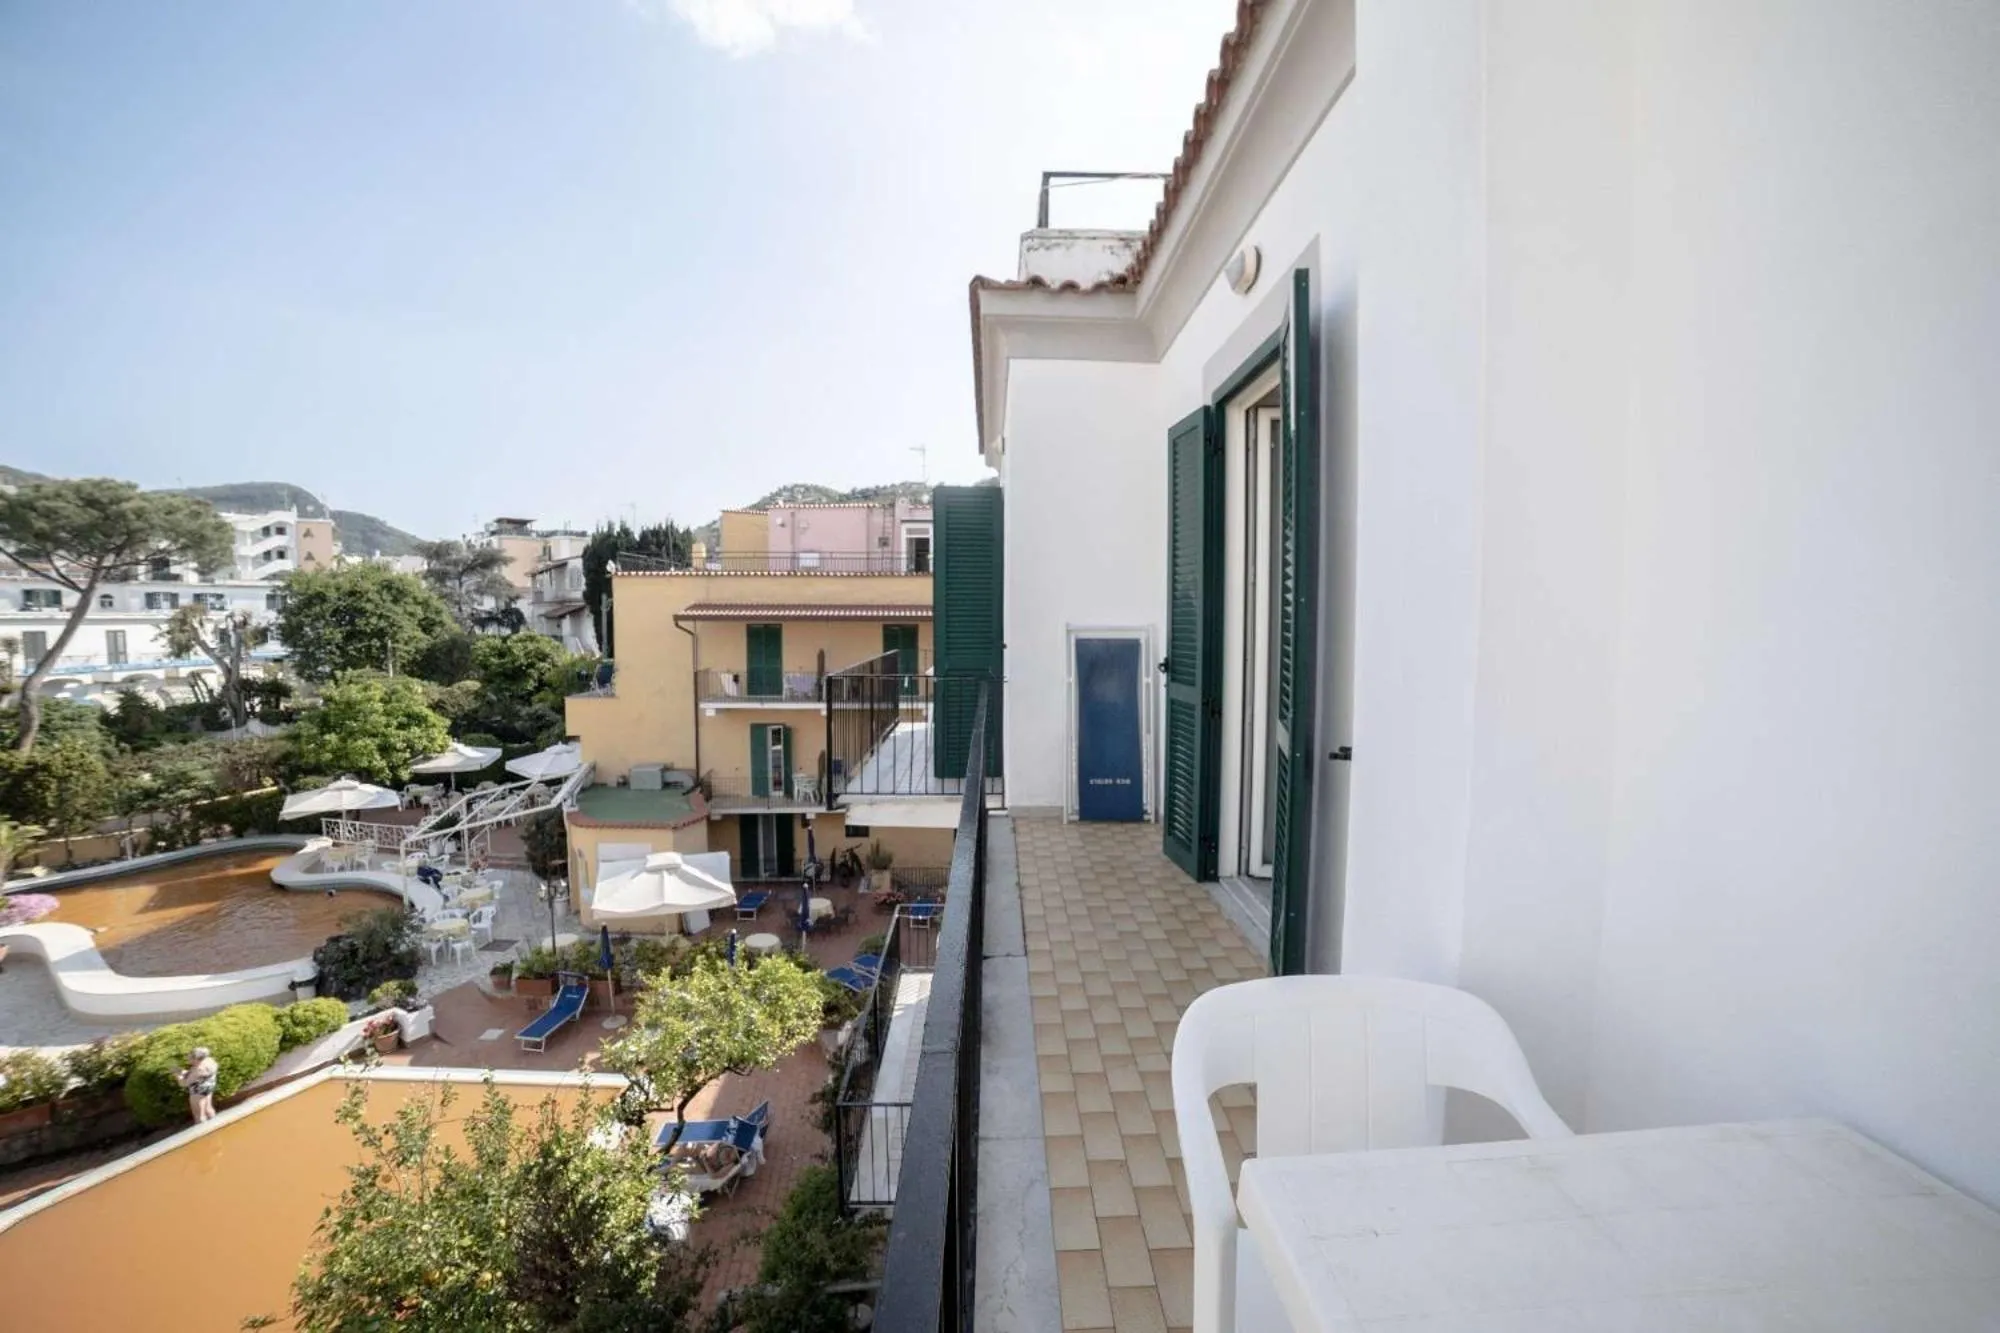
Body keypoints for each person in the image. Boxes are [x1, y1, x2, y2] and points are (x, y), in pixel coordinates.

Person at [177, 1047, 219, 1123]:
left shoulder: (199, 1069)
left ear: (196, 1059)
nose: (187, 1058)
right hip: (208, 1087)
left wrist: (177, 1075)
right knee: (208, 1109)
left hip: (198, 1092)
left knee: (199, 1115)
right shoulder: (210, 1061)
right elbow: (198, 1076)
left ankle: (206, 1131)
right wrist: (181, 1071)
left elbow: (183, 1084)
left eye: (189, 1057)